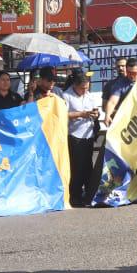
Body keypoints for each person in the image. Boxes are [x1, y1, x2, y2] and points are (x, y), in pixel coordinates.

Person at [61, 71, 103, 207]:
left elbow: (95, 110)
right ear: (75, 85)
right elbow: (63, 115)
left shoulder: (89, 96)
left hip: (88, 134)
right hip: (74, 135)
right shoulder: (67, 95)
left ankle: (87, 195)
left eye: (87, 87)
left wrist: (95, 114)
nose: (85, 90)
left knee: (87, 166)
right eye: (82, 88)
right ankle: (75, 196)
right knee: (77, 167)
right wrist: (81, 114)